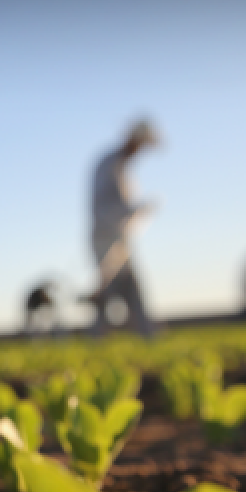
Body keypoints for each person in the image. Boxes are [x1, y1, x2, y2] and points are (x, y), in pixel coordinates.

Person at [88, 119, 160, 337]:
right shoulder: (110, 165)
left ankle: (147, 335)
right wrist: (137, 209)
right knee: (109, 289)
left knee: (131, 287)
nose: (141, 150)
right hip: (106, 237)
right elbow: (107, 205)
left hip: (119, 238)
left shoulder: (121, 166)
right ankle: (97, 338)